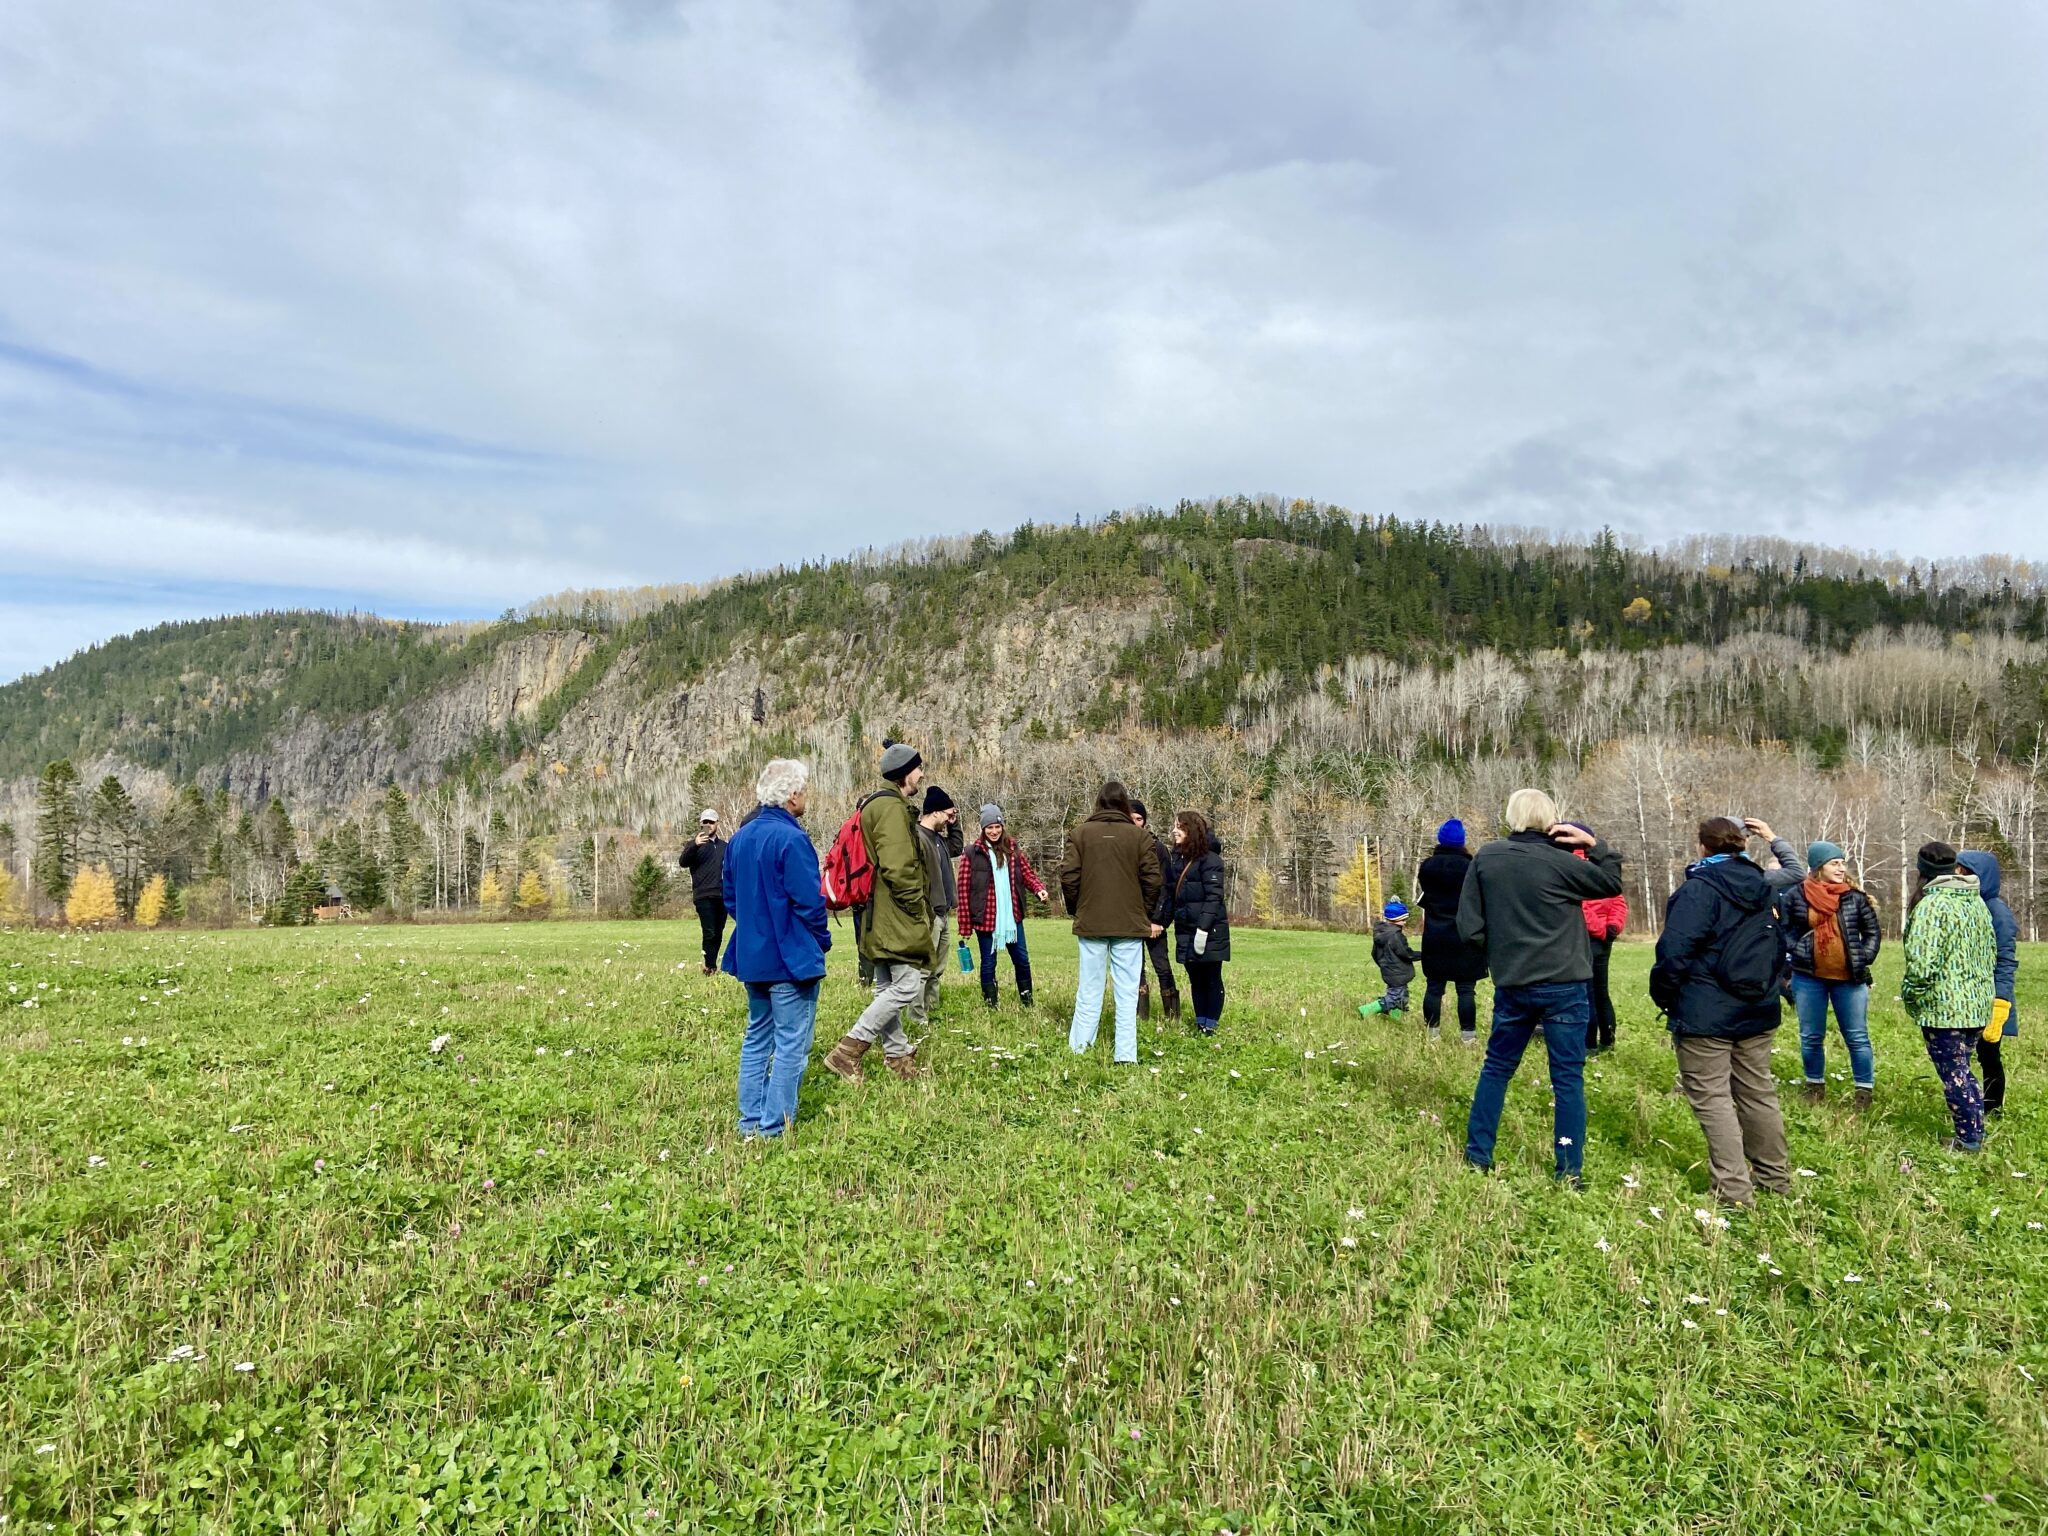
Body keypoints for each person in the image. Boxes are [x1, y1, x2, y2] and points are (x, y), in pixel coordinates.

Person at [1457, 790, 1624, 1186]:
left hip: (1513, 981)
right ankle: (1569, 1172)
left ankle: (1478, 1156)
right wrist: (1596, 847)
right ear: (1552, 820)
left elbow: (1469, 926)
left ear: (1511, 815)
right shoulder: (1562, 862)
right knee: (1567, 1078)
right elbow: (1610, 884)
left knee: (1496, 1069)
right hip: (1566, 982)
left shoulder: (1487, 858)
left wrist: (1501, 948)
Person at [1649, 818, 1793, 1207]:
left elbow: (1674, 953)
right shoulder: (1763, 886)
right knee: (1757, 1091)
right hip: (1757, 1003)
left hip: (1705, 1011)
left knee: (1713, 1097)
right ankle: (1775, 1178)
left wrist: (1665, 996)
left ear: (1702, 847)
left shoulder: (1698, 890)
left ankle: (1733, 1190)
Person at [720, 760, 830, 1140]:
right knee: (790, 1044)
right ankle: (773, 1128)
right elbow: (810, 903)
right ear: (792, 794)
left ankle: (750, 1120)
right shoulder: (792, 839)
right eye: (804, 790)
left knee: (757, 1036)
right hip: (790, 958)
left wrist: (756, 925)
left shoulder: (739, 839)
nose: (806, 797)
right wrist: (821, 939)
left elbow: (730, 899)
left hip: (753, 956)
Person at [823, 742, 934, 1082]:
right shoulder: (890, 808)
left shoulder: (876, 804)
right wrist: (917, 906)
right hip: (894, 910)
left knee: (886, 985)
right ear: (904, 773)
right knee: (907, 985)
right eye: (917, 768)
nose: (921, 774)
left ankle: (897, 1056)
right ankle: (849, 1048)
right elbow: (898, 866)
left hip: (877, 911)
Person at [1059, 781, 1163, 1063]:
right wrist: (1143, 910)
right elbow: (1154, 879)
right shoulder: (1140, 837)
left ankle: (1080, 1049)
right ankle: (1126, 1055)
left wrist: (1078, 908)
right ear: (1125, 805)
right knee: (1128, 993)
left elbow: (1068, 877)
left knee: (1089, 988)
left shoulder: (1079, 834)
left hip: (1092, 922)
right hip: (1129, 924)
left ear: (1098, 803)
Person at [1903, 842, 1996, 1153]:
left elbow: (1922, 965)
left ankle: (1970, 1140)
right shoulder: (1976, 902)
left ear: (1923, 871)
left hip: (1945, 1009)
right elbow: (1989, 954)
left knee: (1955, 1073)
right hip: (1978, 1004)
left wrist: (1911, 996)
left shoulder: (1932, 906)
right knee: (1964, 1067)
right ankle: (1973, 1131)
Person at [1781, 841, 1882, 1109]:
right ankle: (1814, 1086)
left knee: (1857, 1036)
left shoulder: (1854, 897)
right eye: (1834, 863)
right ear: (1818, 867)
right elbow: (1786, 929)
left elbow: (1872, 932)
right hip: (1808, 976)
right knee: (1811, 1036)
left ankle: (1864, 1093)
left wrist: (1863, 957)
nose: (1841, 868)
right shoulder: (1796, 895)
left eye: (1842, 863)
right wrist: (1798, 949)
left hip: (1849, 978)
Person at [956, 803, 1050, 1008]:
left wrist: (1038, 889)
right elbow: (963, 891)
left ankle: (1027, 1001)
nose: (994, 831)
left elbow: (1026, 874)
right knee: (989, 963)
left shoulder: (1012, 849)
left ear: (1002, 826)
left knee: (1022, 960)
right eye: (989, 827)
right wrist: (965, 925)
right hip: (986, 919)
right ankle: (991, 1003)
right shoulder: (972, 853)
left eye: (997, 826)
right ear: (983, 829)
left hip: (1012, 918)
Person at [1957, 851, 2019, 1118]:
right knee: (1963, 1055)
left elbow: (2005, 960)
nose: (1957, 875)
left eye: (1963, 871)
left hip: (1991, 997)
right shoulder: (1964, 905)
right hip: (1967, 994)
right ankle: (1969, 1104)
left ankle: (1992, 1108)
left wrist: (2000, 1001)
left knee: (1989, 1055)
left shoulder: (1997, 912)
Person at [1416, 820, 1487, 1044]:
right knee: (1466, 989)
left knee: (1434, 986)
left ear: (1440, 839)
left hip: (1435, 935)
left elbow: (1427, 896)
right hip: (1465, 934)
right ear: (1462, 841)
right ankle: (1468, 1037)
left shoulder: (1427, 866)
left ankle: (1432, 1035)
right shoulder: (1471, 866)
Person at [1165, 810, 1229, 1035]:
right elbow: (1173, 896)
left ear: (1192, 830)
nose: (1174, 831)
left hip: (1208, 931)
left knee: (1211, 978)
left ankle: (1210, 1025)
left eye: (1180, 827)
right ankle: (1201, 1021)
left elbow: (1214, 898)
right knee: (1195, 979)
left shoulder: (1211, 861)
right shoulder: (1178, 861)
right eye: (1175, 826)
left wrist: (1203, 929)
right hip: (1185, 930)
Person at [1569, 825, 1628, 1054]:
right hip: (1604, 938)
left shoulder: (1571, 867)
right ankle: (1607, 1039)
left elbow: (1581, 907)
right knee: (1600, 992)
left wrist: (1605, 929)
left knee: (1589, 993)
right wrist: (1612, 926)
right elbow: (1617, 900)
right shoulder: (1602, 865)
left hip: (1589, 938)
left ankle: (1591, 1044)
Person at [913, 786, 964, 1025]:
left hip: (944, 913)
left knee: (937, 967)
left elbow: (957, 846)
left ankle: (931, 1008)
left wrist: (954, 821)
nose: (948, 820)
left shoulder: (940, 840)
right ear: (934, 813)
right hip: (929, 914)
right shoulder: (918, 837)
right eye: (946, 815)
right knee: (923, 969)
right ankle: (917, 1017)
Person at [1131, 801, 1183, 1022]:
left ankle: (1172, 1017)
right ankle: (1140, 1017)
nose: (1134, 823)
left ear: (1145, 821)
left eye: (1138, 819)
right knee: (1135, 970)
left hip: (1154, 919)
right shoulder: (1121, 845)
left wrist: (1157, 920)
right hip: (1130, 918)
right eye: (1130, 818)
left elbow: (1165, 886)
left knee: (1162, 966)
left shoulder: (1157, 848)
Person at [678, 808, 728, 975]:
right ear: (701, 824)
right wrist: (694, 844)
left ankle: (711, 965)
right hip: (703, 895)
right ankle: (710, 966)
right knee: (709, 931)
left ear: (717, 824)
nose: (708, 825)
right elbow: (683, 862)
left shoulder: (725, 847)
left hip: (721, 895)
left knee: (718, 932)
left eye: (711, 822)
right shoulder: (694, 845)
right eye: (705, 822)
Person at [1361, 900, 1420, 1026]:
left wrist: (1384, 965)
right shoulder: (1395, 936)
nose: (1405, 922)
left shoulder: (1381, 933)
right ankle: (1366, 1010)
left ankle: (1395, 1020)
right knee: (1394, 998)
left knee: (1401, 996)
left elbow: (1374, 954)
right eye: (1403, 919)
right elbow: (1406, 953)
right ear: (1396, 919)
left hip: (1390, 972)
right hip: (1398, 974)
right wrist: (1424, 955)